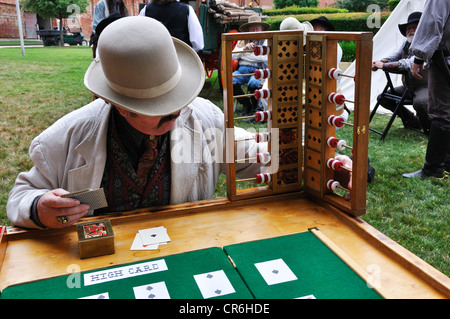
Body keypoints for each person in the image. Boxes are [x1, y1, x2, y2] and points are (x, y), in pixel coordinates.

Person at [7, 17, 353, 229]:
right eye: (165, 112)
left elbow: (261, 156)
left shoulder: (200, 117)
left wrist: (321, 162)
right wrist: (38, 209)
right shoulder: (64, 139)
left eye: (179, 101)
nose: (179, 116)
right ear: (119, 106)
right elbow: (21, 196)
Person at [403, 0, 450, 179]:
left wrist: (418, 58)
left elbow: (432, 21)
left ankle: (433, 169)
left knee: (442, 109)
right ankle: (447, 162)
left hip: (445, 59)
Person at [372, 12, 430, 133]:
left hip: (425, 87)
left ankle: (430, 129)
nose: (411, 30)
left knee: (420, 103)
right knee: (383, 98)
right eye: (409, 28)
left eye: (415, 27)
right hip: (409, 87)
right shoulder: (406, 43)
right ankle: (412, 121)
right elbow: (395, 56)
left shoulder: (426, 44)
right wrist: (380, 61)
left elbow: (409, 63)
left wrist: (384, 65)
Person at [232, 15, 270, 116]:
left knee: (254, 83)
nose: (254, 31)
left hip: (258, 70)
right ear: (248, 30)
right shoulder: (242, 40)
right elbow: (232, 56)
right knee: (231, 80)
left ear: (262, 29)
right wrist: (244, 49)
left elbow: (265, 58)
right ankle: (246, 104)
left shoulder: (266, 41)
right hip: (242, 70)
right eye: (252, 29)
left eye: (257, 29)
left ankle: (255, 108)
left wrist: (244, 55)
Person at [139, 0, 204, 52]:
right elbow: (198, 44)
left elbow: (139, 37)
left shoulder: (146, 10)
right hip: (180, 60)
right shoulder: (187, 9)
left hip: (154, 61)